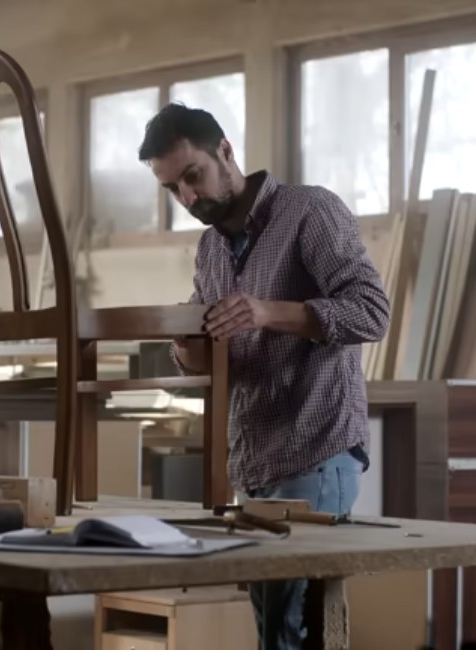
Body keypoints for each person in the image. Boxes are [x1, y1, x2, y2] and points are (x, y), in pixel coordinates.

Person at [137, 102, 390, 650]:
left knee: (291, 633)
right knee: (274, 633)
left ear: (226, 151)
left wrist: (269, 311)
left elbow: (372, 311)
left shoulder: (309, 211)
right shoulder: (210, 248)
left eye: (192, 176)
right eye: (172, 188)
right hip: (252, 462)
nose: (187, 198)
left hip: (315, 450)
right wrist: (190, 350)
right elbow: (215, 355)